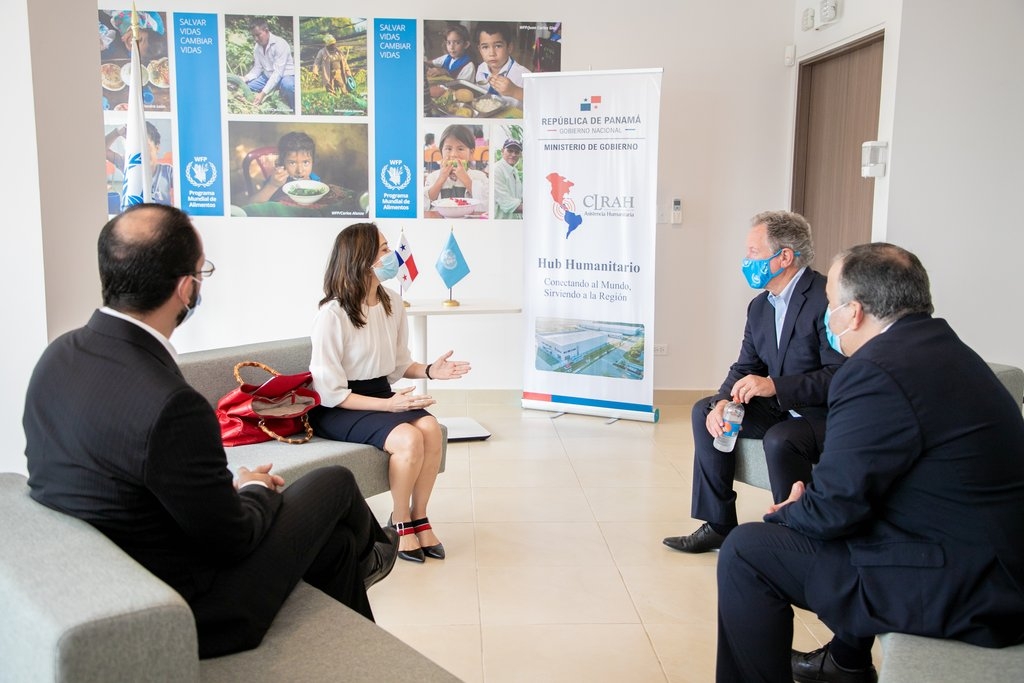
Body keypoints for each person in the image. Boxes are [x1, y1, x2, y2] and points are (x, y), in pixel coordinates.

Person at [22, 204, 398, 658]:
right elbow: (233, 539)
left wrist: (230, 490)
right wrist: (256, 488)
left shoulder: (57, 357)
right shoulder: (172, 404)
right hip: (192, 606)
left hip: (108, 570)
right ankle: (377, 552)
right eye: (204, 271)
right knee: (335, 483)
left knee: (334, 546)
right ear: (187, 288)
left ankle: (363, 653)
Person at [716, 243, 1024, 683]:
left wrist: (792, 509)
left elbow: (834, 510)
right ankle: (845, 663)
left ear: (854, 313)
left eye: (830, 305)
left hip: (969, 589)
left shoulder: (875, 372)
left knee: (747, 550)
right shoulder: (950, 351)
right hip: (994, 559)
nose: (827, 317)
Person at [663, 210, 845, 554]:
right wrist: (721, 400)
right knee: (705, 412)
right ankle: (719, 523)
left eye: (754, 253)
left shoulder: (826, 298)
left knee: (781, 439)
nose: (747, 261)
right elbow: (746, 364)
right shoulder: (760, 307)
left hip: (825, 413)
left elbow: (839, 374)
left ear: (785, 257)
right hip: (781, 405)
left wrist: (776, 386)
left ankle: (796, 529)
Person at [308, 223, 471, 563]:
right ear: (359, 258)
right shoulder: (332, 314)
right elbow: (330, 392)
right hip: (340, 406)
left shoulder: (393, 302)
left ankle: (419, 516)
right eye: (383, 250)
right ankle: (399, 521)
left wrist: (429, 371)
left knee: (429, 429)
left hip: (382, 396)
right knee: (408, 439)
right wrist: (388, 406)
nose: (391, 256)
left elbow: (398, 363)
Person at [424, 124, 489, 214]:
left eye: (460, 149)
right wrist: (441, 179)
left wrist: (465, 179)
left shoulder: (480, 176)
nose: (454, 154)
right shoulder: (433, 177)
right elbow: (424, 205)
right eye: (448, 148)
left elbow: (486, 205)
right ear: (441, 151)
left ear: (471, 152)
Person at [105, 121, 174, 206]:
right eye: (137, 147)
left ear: (157, 147)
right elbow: (101, 149)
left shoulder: (168, 171)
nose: (142, 152)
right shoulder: (129, 164)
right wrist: (116, 132)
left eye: (146, 146)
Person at [249, 131, 322, 204]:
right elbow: (252, 204)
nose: (299, 170)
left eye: (305, 162)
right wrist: (273, 185)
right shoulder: (276, 180)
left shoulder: (315, 180)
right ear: (282, 162)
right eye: (292, 163)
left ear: (313, 161)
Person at [473, 22, 531, 107]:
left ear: (509, 48)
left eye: (498, 46)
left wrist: (515, 91)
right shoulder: (481, 68)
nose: (492, 53)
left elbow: (540, 101)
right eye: (485, 47)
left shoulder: (524, 75)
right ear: (480, 50)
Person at [243, 17, 296, 110]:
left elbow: (278, 73)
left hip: (285, 75)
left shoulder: (280, 44)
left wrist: (263, 93)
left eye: (258, 35)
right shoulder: (257, 47)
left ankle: (293, 109)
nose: (256, 39)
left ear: (266, 31)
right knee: (247, 88)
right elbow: (257, 68)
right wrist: (245, 78)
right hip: (267, 76)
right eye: (253, 36)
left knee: (288, 86)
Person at [493, 138, 523, 220]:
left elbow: (518, 197)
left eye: (517, 152)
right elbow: (507, 204)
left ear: (520, 155)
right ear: (502, 151)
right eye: (510, 151)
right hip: (501, 225)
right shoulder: (496, 170)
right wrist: (535, 208)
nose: (513, 154)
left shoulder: (514, 171)